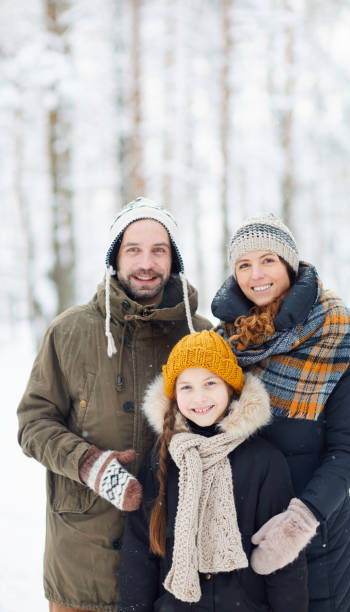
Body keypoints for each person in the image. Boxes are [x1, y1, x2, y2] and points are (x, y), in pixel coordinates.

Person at [17, 197, 211, 612]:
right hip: (83, 563)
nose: (146, 262)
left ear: (173, 259)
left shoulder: (201, 336)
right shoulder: (69, 331)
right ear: (114, 257)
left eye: (159, 250)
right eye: (133, 249)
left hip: (174, 561)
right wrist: (87, 462)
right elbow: (33, 422)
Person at [211, 213, 350, 612]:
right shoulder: (221, 343)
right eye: (244, 264)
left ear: (289, 265)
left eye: (268, 260)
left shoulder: (336, 334)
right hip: (242, 537)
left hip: (319, 539)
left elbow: (347, 449)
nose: (256, 274)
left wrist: (300, 522)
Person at [118, 330, 308, 612]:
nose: (199, 397)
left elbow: (284, 560)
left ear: (230, 387)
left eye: (210, 383)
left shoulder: (264, 461)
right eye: (186, 387)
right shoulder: (162, 458)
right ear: (173, 394)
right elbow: (139, 550)